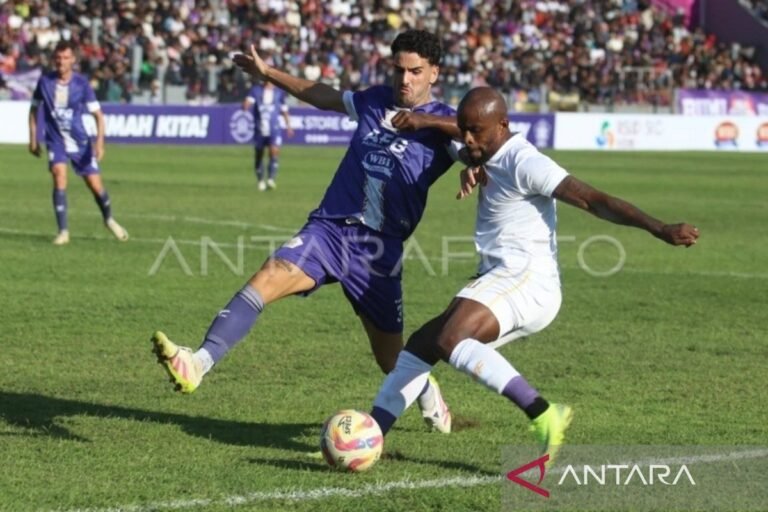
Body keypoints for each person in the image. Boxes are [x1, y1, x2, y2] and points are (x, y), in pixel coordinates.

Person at [151, 30, 465, 433]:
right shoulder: (372, 100)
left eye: (415, 72)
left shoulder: (443, 126)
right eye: (399, 69)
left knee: (391, 359)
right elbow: (322, 94)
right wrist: (268, 73)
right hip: (329, 228)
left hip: (377, 250)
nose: (405, 80)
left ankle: (425, 392)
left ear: (433, 73)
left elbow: (478, 142)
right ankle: (197, 362)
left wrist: (476, 166)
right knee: (268, 276)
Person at [368, 87, 700, 465]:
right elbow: (460, 143)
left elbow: (593, 200)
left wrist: (659, 229)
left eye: (476, 131)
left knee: (449, 338)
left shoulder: (525, 161)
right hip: (504, 277)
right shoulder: (485, 150)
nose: (469, 139)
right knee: (420, 347)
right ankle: (371, 436)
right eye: (465, 130)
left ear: (503, 125)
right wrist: (444, 136)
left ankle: (543, 412)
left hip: (525, 279)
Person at [28, 40, 128, 246]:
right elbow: (33, 110)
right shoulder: (45, 82)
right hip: (55, 140)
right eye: (58, 58)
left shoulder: (82, 84)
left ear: (73, 60)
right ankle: (63, 232)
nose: (61, 62)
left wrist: (100, 143)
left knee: (94, 184)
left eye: (65, 58)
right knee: (59, 174)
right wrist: (33, 139)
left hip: (79, 141)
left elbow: (98, 116)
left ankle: (109, 219)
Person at [243, 79, 294, 191]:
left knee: (274, 151)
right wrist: (245, 105)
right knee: (259, 154)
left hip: (274, 129)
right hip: (259, 129)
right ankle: (260, 180)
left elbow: (284, 110)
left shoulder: (279, 93)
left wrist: (288, 126)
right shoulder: (256, 90)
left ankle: (271, 179)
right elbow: (247, 102)